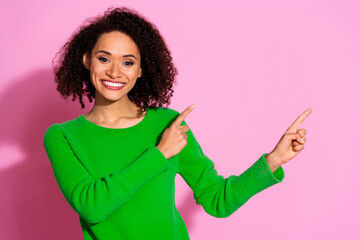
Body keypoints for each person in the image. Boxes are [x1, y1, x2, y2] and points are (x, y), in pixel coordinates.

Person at [43, 6, 312, 240]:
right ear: (87, 60)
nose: (114, 71)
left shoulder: (168, 124)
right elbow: (93, 206)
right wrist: (159, 154)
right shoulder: (63, 136)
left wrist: (274, 160)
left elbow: (217, 199)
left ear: (140, 70)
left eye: (128, 62)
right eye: (104, 58)